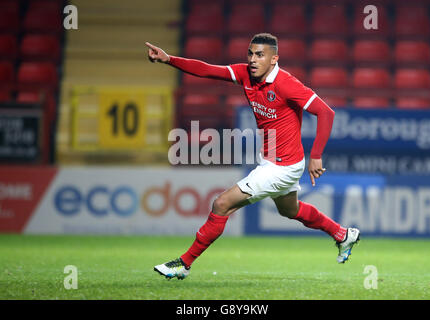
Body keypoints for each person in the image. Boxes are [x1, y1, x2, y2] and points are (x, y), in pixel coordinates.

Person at [146, 33, 360, 280]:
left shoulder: (286, 83)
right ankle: (343, 234)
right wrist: (168, 59)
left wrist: (317, 155)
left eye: (260, 55)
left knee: (221, 204)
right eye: (250, 53)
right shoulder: (246, 74)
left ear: (273, 58)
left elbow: (326, 112)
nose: (253, 59)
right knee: (290, 210)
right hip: (275, 159)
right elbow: (206, 70)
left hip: (282, 166)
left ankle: (184, 263)